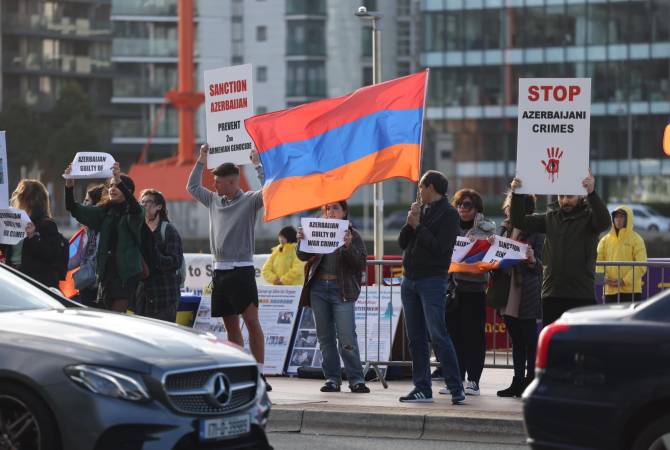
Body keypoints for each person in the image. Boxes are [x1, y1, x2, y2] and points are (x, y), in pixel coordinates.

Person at [187, 144, 270, 389]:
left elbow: (270, 190)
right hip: (220, 271)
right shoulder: (214, 201)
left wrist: (257, 165)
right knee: (230, 325)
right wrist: (201, 159)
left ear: (233, 182)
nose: (214, 186)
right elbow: (192, 187)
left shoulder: (249, 201)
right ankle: (240, 372)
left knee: (252, 322)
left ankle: (260, 374)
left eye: (218, 182)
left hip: (242, 270)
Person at [397, 170, 466, 404]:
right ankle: (421, 387)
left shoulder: (449, 215)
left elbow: (440, 248)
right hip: (410, 279)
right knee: (415, 337)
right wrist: (410, 224)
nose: (419, 192)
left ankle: (456, 386)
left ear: (431, 188)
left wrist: (418, 227)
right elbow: (402, 243)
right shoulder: (420, 210)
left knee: (438, 334)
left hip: (432, 281)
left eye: (421, 188)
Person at [510, 169, 611, 326]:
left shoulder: (590, 218)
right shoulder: (550, 218)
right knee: (554, 347)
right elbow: (518, 221)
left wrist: (592, 193)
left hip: (581, 295)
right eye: (561, 196)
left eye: (569, 196)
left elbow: (605, 222)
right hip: (552, 295)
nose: (564, 201)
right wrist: (517, 195)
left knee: (579, 347)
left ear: (580, 196)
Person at [296, 201, 370, 394]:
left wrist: (347, 246)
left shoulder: (352, 234)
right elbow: (302, 255)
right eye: (328, 208)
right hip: (319, 288)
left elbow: (360, 264)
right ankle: (332, 379)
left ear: (345, 211)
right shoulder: (316, 228)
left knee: (346, 337)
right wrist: (302, 239)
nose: (331, 212)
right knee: (325, 337)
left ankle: (356, 379)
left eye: (336, 208)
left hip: (341, 289)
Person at [64, 162, 145, 313]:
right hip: (106, 275)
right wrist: (69, 186)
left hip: (126, 275)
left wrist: (120, 181)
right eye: (111, 186)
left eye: (118, 186)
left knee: (116, 317)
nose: (113, 188)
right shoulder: (105, 211)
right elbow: (74, 209)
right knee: (106, 318)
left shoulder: (135, 212)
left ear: (128, 190)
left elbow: (135, 208)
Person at [491, 192, 544, 398]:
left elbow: (540, 265)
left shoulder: (538, 230)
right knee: (516, 339)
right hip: (506, 287)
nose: (509, 209)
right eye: (509, 205)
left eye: (513, 205)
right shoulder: (505, 227)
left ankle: (531, 382)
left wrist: (531, 260)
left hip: (525, 289)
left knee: (529, 339)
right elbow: (497, 255)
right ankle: (517, 381)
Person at [447, 188, 496, 397]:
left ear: (476, 208)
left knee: (473, 338)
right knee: (454, 336)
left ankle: (473, 381)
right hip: (453, 290)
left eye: (467, 205)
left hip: (475, 290)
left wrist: (491, 243)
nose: (462, 209)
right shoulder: (450, 228)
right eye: (459, 204)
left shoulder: (487, 229)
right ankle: (456, 380)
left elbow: (493, 257)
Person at [134, 189, 184, 321]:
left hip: (164, 297)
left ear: (159, 206)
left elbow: (175, 262)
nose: (143, 205)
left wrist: (154, 255)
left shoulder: (168, 230)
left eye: (148, 202)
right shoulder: (137, 230)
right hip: (143, 297)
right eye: (141, 202)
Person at [4, 179, 64, 288]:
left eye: (18, 194)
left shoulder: (47, 224)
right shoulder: (16, 221)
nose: (15, 197)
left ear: (28, 199)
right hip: (14, 277)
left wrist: (33, 237)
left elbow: (51, 255)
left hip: (35, 283)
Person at [597, 206, 647, 304]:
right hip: (609, 291)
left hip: (631, 291)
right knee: (609, 319)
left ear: (628, 219)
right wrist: (603, 278)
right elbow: (598, 262)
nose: (618, 220)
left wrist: (624, 281)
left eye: (622, 217)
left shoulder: (637, 240)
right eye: (616, 217)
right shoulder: (604, 240)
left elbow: (641, 265)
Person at [69, 184, 106, 306]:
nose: (83, 204)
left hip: (100, 286)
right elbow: (76, 257)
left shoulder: (105, 228)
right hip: (86, 284)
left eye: (87, 200)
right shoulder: (86, 231)